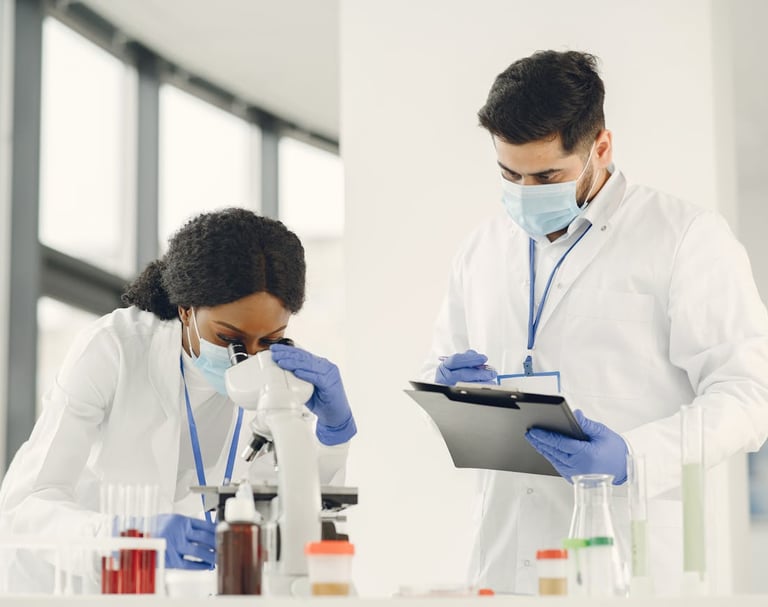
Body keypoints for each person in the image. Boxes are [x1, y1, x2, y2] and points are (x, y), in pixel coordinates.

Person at [421, 50, 768, 595]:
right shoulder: (481, 249)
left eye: (547, 175)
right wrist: (453, 389)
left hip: (630, 564)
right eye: (509, 174)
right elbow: (442, 364)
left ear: (600, 147)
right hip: (505, 562)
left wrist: (633, 456)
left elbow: (749, 396)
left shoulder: (685, 238)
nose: (525, 192)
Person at [0, 207, 356, 591]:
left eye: (269, 341)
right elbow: (25, 507)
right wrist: (127, 537)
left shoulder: (278, 377)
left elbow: (298, 511)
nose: (251, 358)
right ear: (186, 311)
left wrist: (332, 435)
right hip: (71, 589)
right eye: (229, 339)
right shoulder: (114, 349)